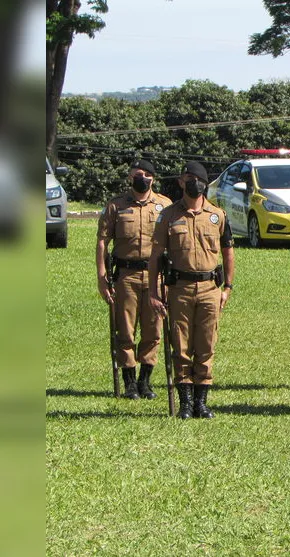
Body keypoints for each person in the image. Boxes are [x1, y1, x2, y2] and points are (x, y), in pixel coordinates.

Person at [148, 161, 235, 419]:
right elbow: (155, 255)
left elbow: (228, 252)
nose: (191, 183)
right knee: (181, 344)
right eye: (187, 178)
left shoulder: (217, 216)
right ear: (180, 183)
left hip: (210, 288)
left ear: (204, 183)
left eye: (196, 178)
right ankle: (185, 401)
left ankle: (201, 401)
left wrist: (227, 287)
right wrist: (154, 291)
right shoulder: (168, 215)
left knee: (206, 344)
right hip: (179, 288)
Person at [96, 160, 172, 399]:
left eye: (148, 174)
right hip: (125, 276)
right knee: (125, 331)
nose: (143, 178)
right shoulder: (116, 205)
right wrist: (101, 276)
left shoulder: (165, 205)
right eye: (138, 174)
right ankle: (129, 382)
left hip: (155, 277)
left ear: (154, 179)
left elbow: (174, 244)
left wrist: (170, 281)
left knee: (153, 330)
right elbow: (102, 241)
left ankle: (145, 382)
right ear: (130, 177)